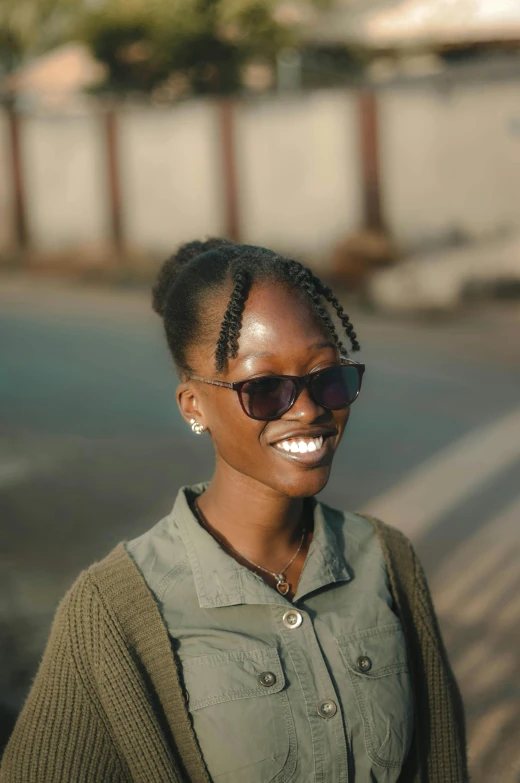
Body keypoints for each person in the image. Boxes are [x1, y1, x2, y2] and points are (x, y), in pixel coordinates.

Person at [0, 239, 468, 783]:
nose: (311, 410)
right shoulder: (112, 611)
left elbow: (443, 765)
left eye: (328, 378)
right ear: (194, 406)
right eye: (266, 389)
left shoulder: (388, 560)